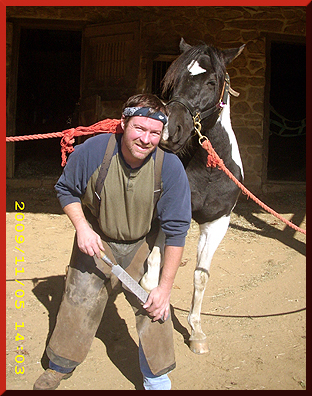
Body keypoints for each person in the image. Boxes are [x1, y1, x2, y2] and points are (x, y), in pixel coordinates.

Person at [33, 93, 191, 390]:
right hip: (97, 239)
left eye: (154, 133)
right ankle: (59, 365)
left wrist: (165, 288)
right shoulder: (95, 151)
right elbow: (66, 189)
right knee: (78, 298)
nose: (146, 139)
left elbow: (177, 229)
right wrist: (82, 227)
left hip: (142, 242)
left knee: (154, 306)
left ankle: (156, 378)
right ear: (123, 124)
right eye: (139, 129)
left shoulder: (169, 168)